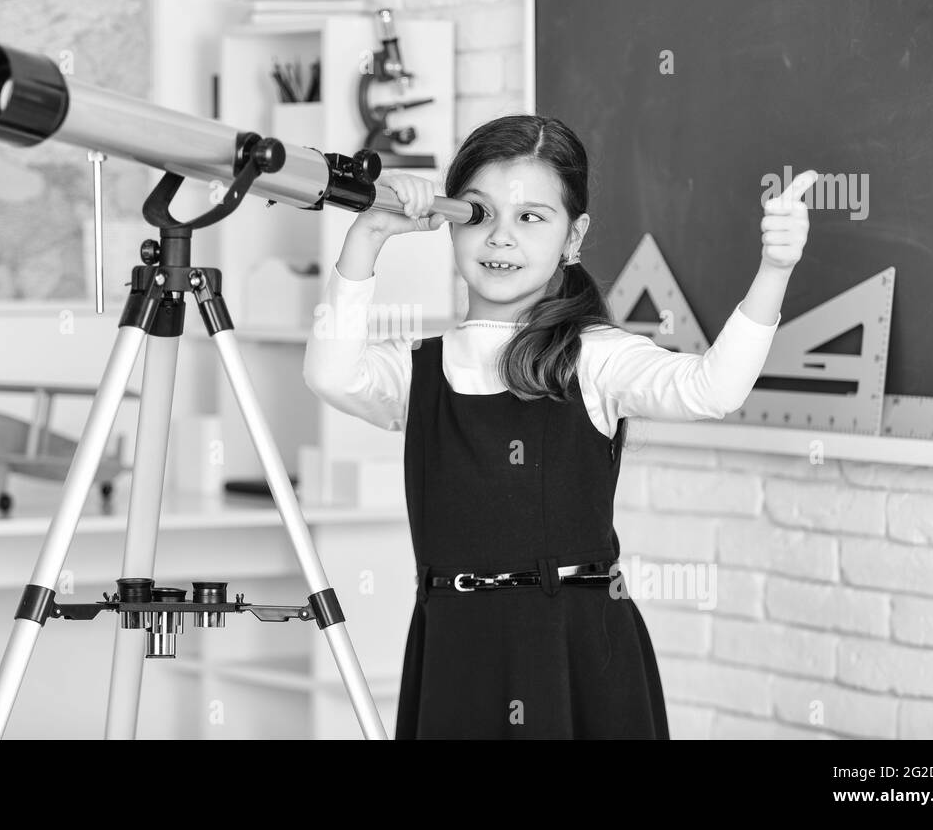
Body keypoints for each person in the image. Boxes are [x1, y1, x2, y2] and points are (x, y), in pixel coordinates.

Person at [303, 114, 811, 739]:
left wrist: (775, 268)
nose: (501, 240)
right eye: (480, 214)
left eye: (532, 218)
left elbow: (712, 389)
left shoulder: (594, 355)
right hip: (455, 651)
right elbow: (330, 374)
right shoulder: (419, 366)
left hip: (573, 654)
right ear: (450, 223)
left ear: (574, 237)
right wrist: (369, 237)